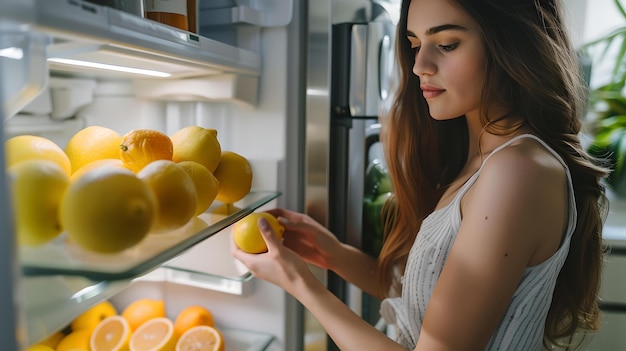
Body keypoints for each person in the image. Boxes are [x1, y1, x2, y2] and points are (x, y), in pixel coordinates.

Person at [232, 0, 610, 349]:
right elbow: (425, 301)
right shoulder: (483, 158)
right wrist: (332, 254)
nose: (419, 65)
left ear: (512, 43)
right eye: (415, 43)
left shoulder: (517, 171)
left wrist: (298, 282)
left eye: (446, 44)